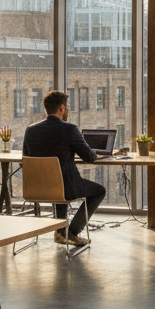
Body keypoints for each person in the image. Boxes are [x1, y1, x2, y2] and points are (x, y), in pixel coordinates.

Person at [22, 90, 105, 246]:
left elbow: (25, 159)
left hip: (37, 187)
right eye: (66, 107)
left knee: (58, 183)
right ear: (62, 108)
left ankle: (60, 231)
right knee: (99, 191)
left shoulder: (30, 130)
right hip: (64, 187)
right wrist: (97, 151)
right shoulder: (69, 129)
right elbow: (88, 157)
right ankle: (71, 232)